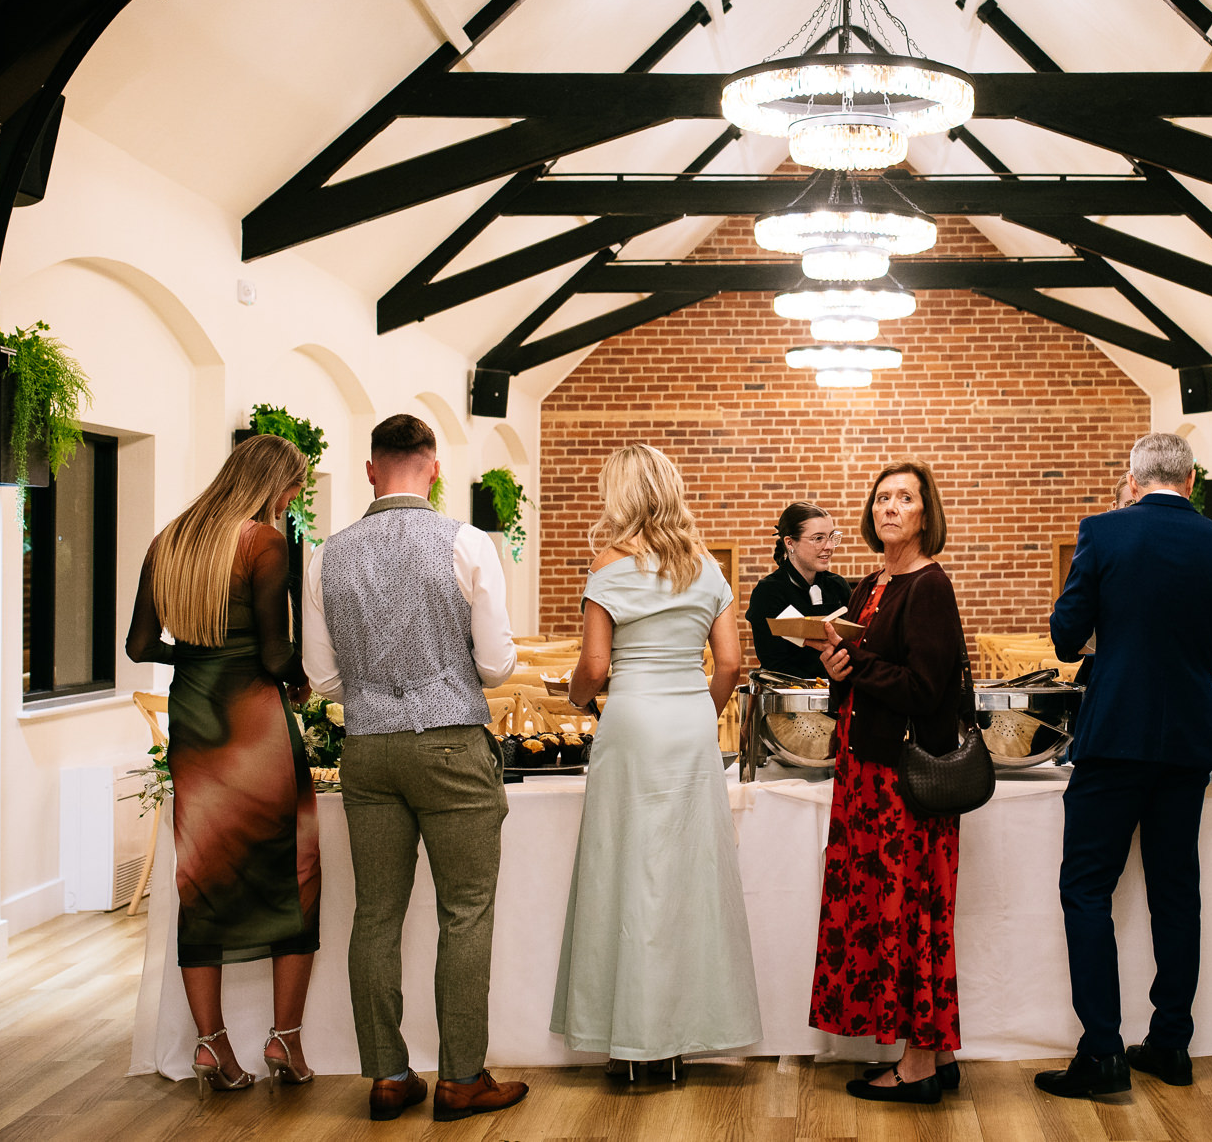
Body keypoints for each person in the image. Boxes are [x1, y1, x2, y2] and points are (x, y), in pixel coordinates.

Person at [302, 414, 525, 1124]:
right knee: (466, 910)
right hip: (452, 743)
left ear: (371, 470)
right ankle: (461, 1077)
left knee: (375, 914)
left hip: (367, 747)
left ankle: (389, 1076)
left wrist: (374, 690)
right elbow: (494, 665)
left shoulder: (326, 554)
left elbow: (322, 675)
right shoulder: (466, 541)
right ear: (434, 469)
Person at [1040, 432, 1212, 1100]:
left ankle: (1102, 1050)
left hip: (1114, 736)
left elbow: (1066, 635)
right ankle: (1171, 1041)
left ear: (1132, 478)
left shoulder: (1102, 532)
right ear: (1192, 479)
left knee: (1086, 889)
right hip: (1186, 739)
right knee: (1174, 892)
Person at [551, 444, 762, 1073]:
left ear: (622, 495)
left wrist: (574, 695)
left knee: (627, 875)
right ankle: (682, 1037)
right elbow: (729, 664)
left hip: (634, 721)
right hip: (690, 723)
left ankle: (633, 1044)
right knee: (691, 877)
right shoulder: (706, 568)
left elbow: (594, 667)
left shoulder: (607, 565)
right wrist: (700, 707)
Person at [124, 433, 320, 1098]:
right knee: (293, 871)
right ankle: (283, 1039)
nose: (293, 498)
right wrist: (302, 680)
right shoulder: (261, 543)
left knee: (200, 875)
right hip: (255, 723)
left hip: (196, 722)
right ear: (273, 482)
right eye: (293, 486)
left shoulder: (170, 540)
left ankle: (211, 1044)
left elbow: (139, 644)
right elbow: (272, 654)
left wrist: (202, 655)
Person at [812, 460, 967, 1105]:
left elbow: (930, 690)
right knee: (883, 914)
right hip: (864, 777)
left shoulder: (928, 585)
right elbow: (861, 677)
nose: (890, 508)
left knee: (911, 915)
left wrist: (860, 666)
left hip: (904, 784)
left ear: (926, 512)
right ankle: (927, 1052)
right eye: (881, 499)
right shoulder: (868, 585)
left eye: (904, 498)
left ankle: (920, 1064)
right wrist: (835, 665)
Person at [747, 501, 853, 678]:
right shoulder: (768, 592)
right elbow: (775, 662)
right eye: (818, 538)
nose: (829, 547)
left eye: (831, 537)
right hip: (790, 696)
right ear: (790, 543)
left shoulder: (838, 586)